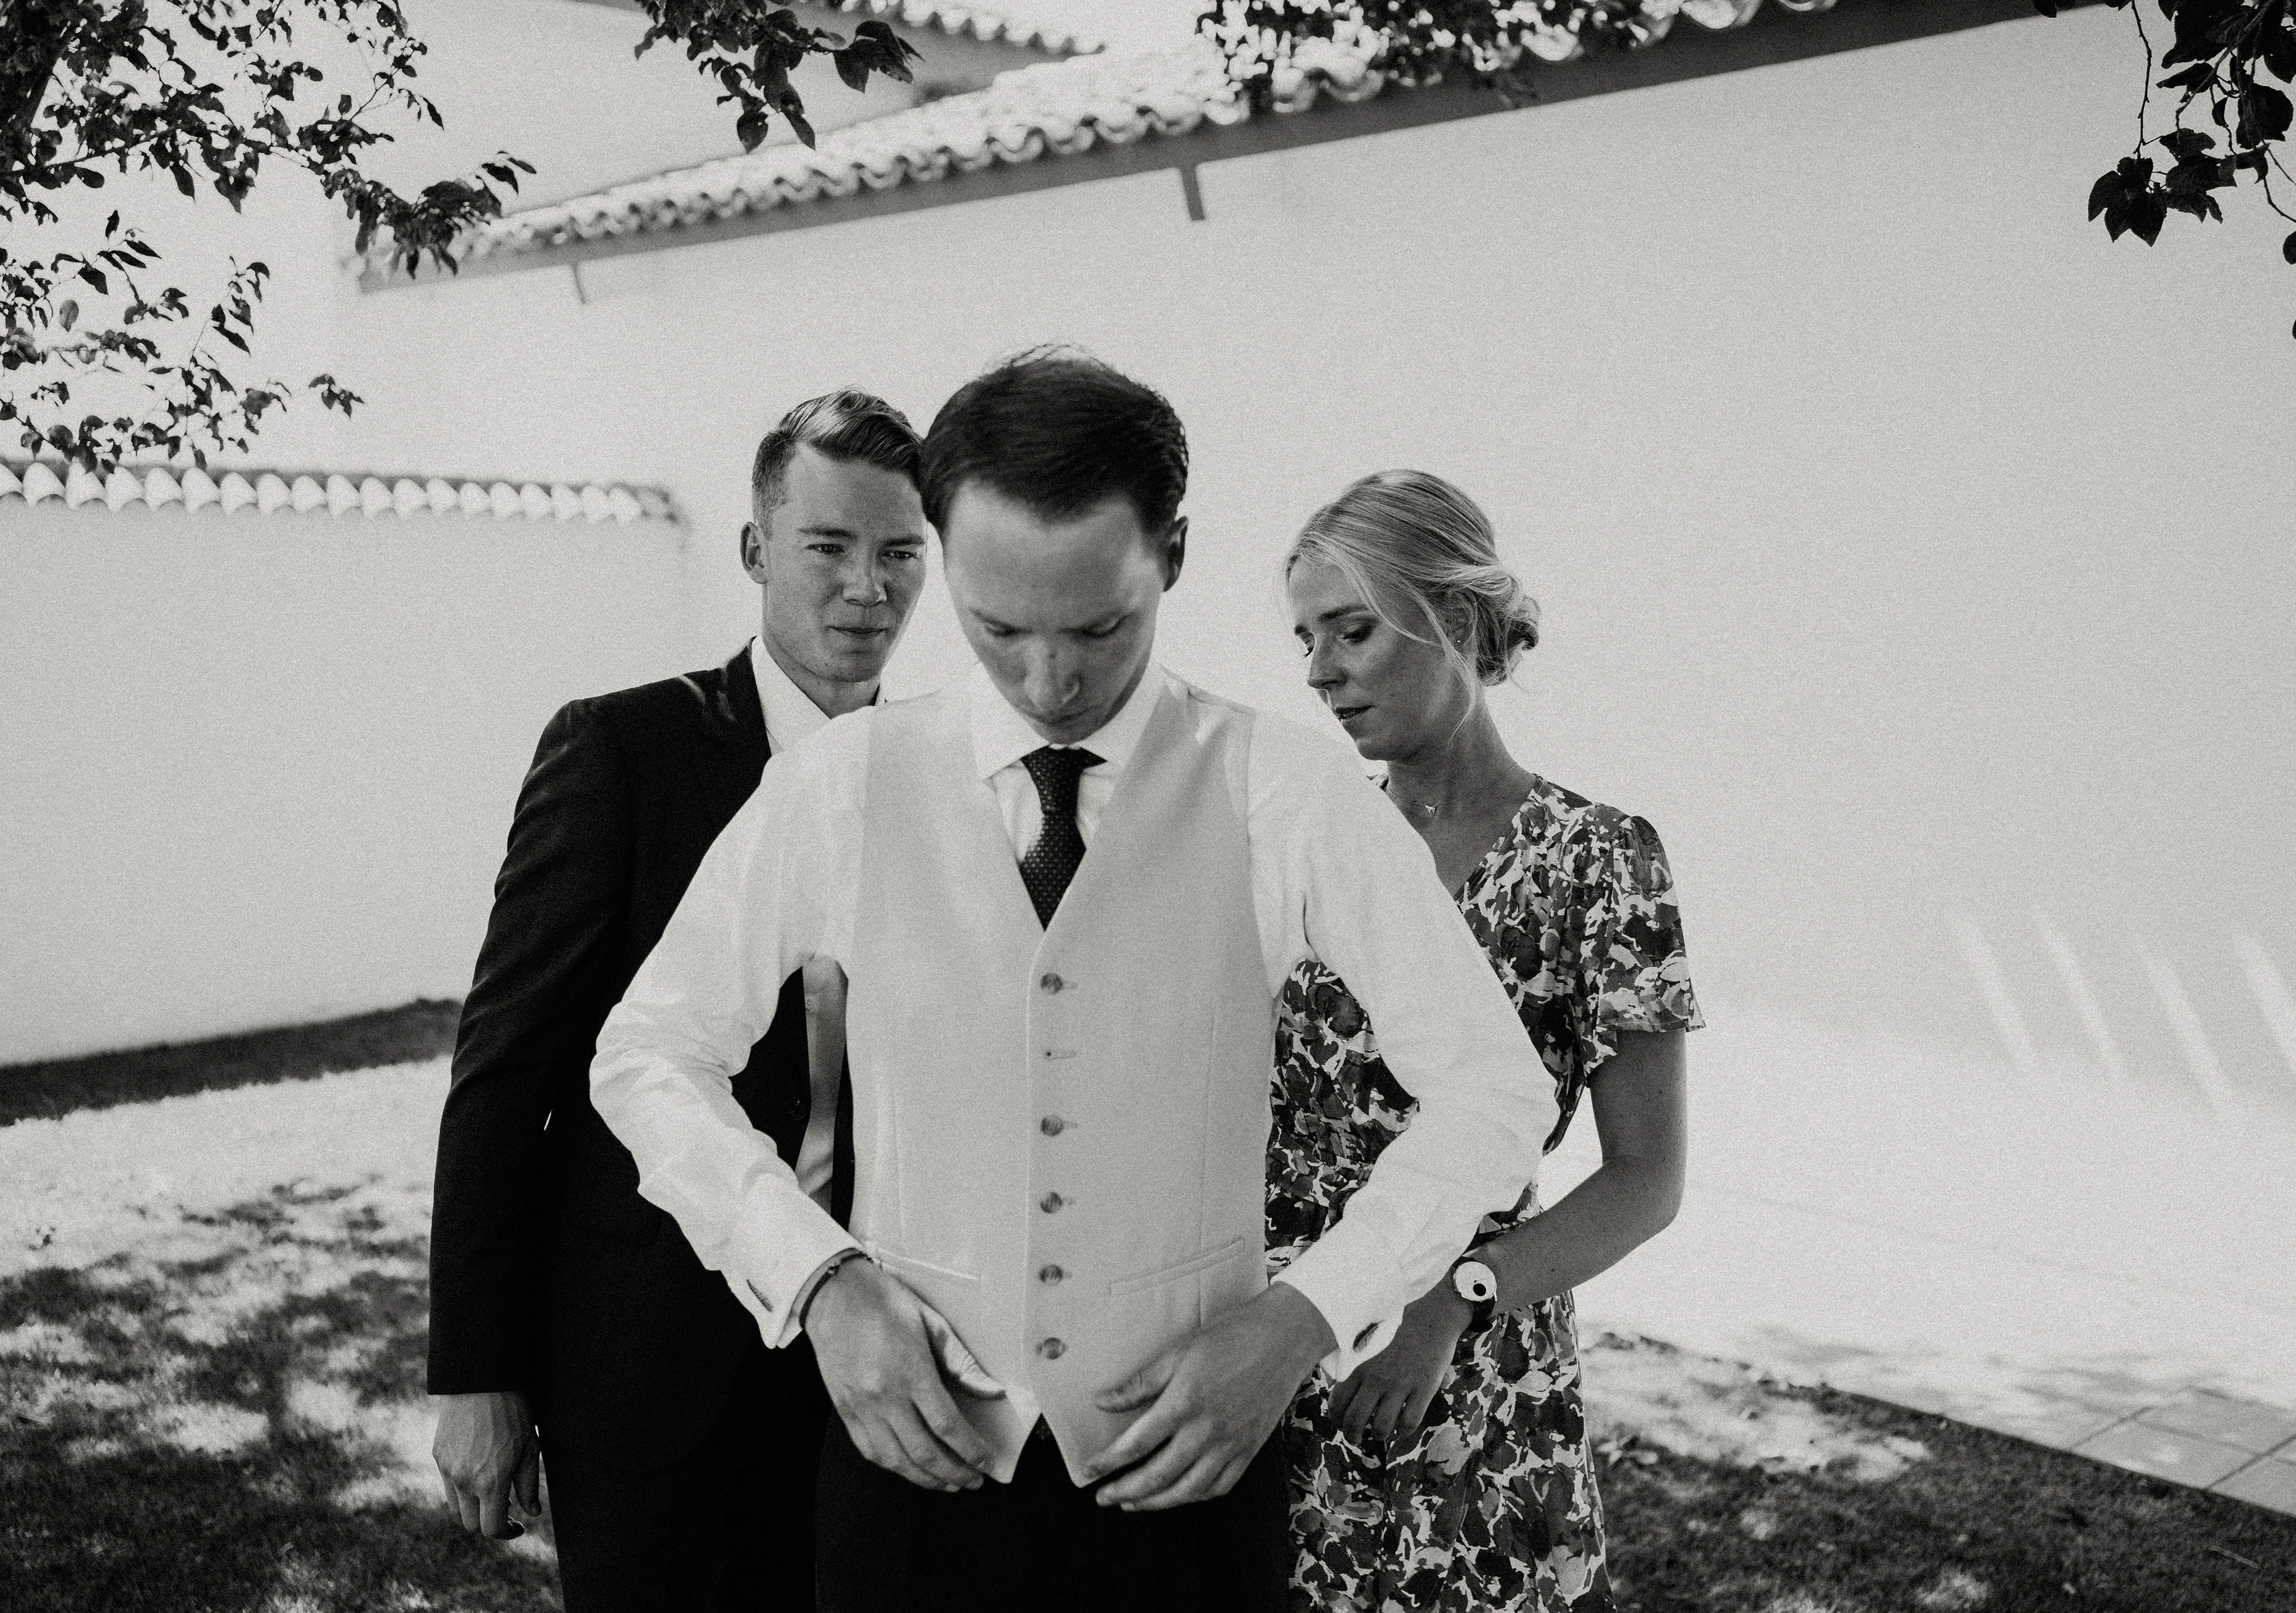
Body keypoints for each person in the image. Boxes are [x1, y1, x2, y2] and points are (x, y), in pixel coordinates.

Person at [587, 347, 1561, 1613]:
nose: (1050, 683)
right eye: (998, 629)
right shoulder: (839, 785)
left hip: (1190, 1482)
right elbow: (650, 1053)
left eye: (1100, 627)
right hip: (910, 1480)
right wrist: (817, 1278)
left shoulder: (1289, 791)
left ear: (1174, 554)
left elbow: (1494, 1092)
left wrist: (1306, 1317)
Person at [425, 389, 932, 1612]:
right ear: (756, 549)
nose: (867, 587)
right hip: (646, 1362)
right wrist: (476, 1371)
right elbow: (505, 1070)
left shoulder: (947, 778)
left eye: (900, 554)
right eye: (829, 546)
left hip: (872, 1363)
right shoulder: (621, 751)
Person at [1271, 469, 1702, 1612]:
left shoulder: (1596, 858)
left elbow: (1647, 1179)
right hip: (1273, 1365)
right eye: (1306, 639)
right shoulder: (1308, 834)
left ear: (1457, 621)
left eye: (1352, 630)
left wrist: (1455, 1297)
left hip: (1459, 1385)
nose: (1319, 671)